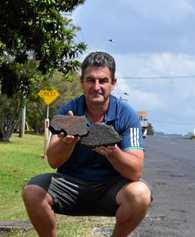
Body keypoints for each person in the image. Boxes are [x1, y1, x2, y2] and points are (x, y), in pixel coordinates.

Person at [22, 52, 152, 237]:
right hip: (71, 186)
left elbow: (135, 171)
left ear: (113, 83)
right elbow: (52, 161)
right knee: (32, 191)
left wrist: (113, 152)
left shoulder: (126, 115)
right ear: (82, 82)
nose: (96, 87)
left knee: (140, 194)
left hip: (111, 189)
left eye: (103, 81)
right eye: (90, 80)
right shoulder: (69, 113)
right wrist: (68, 142)